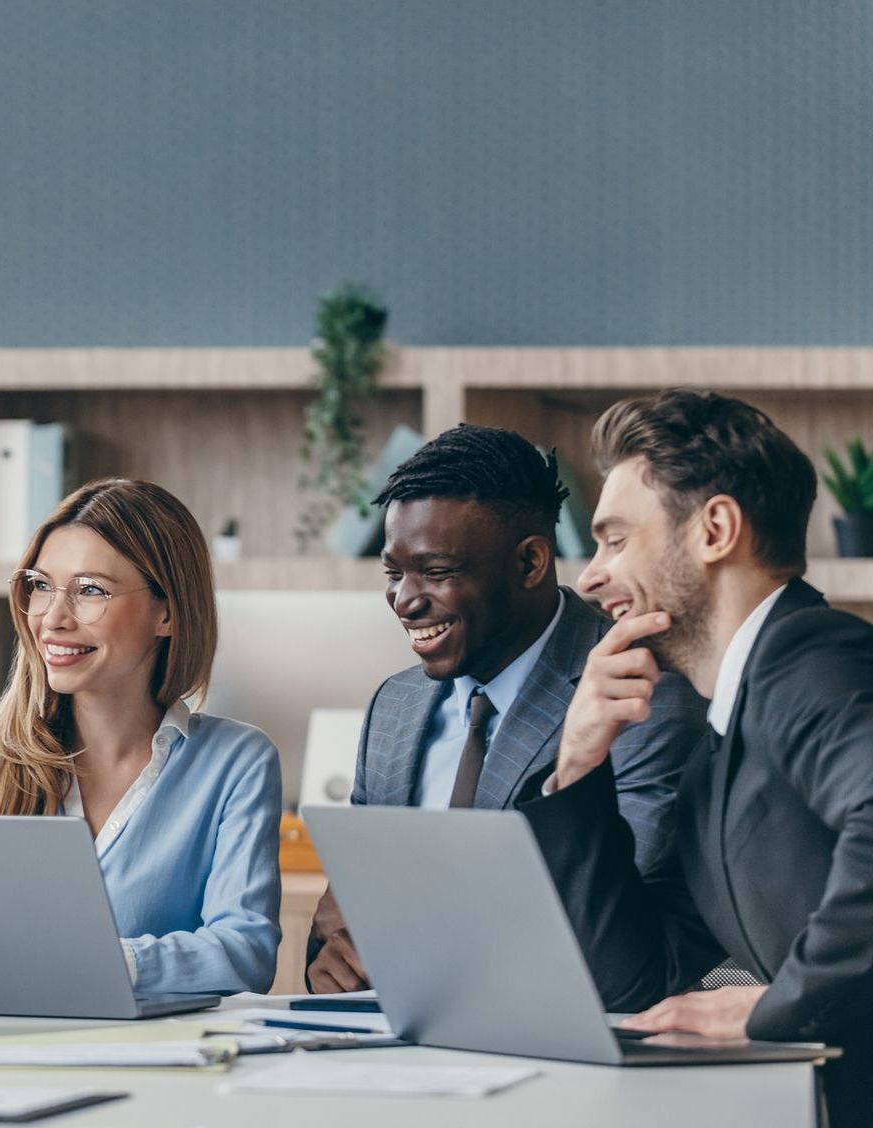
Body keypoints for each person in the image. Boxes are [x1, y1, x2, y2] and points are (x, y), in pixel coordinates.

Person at [517, 388, 873, 1128]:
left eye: (615, 540)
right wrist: (578, 766)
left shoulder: (811, 657)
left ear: (715, 529)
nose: (588, 577)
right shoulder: (718, 749)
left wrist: (783, 1005)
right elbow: (635, 983)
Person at [307, 424, 707, 993]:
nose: (404, 600)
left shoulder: (639, 696)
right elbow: (345, 917)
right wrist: (331, 962)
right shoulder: (394, 706)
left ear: (529, 563)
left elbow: (624, 941)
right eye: (394, 574)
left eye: (436, 572)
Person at [0, 478, 281, 997]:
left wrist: (81, 960)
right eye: (40, 585)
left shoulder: (236, 761)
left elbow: (244, 956)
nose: (53, 618)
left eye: (90, 591)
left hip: (156, 1063)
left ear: (166, 612)